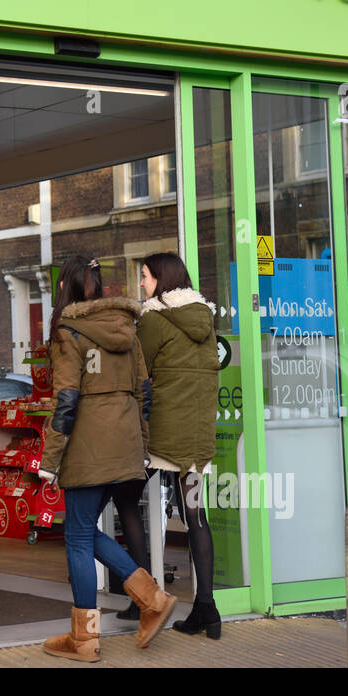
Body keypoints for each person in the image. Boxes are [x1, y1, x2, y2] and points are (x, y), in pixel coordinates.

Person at [37, 254, 176, 662]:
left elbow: (66, 399)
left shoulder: (68, 333)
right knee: (84, 531)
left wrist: (49, 459)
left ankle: (87, 638)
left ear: (66, 287)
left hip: (89, 447)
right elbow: (144, 393)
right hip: (125, 444)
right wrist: (141, 444)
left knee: (78, 537)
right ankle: (150, 598)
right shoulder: (126, 329)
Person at [127, 251, 222, 639]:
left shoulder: (152, 317)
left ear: (161, 280)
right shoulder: (204, 316)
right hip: (198, 435)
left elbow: (139, 370)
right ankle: (207, 610)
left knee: (123, 498)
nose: (141, 285)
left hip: (163, 435)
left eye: (145, 277)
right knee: (196, 516)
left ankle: (145, 600)